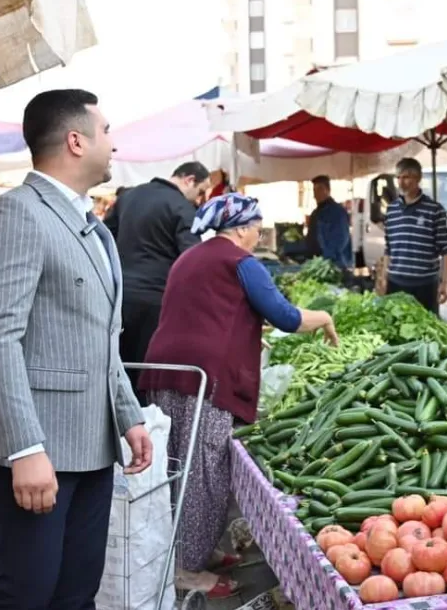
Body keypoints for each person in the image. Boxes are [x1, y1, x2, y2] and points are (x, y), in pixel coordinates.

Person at [0, 89, 152, 609]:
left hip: (92, 443)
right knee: (25, 593)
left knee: (76, 593)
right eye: (108, 130)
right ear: (76, 140)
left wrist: (128, 414)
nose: (114, 144)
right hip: (36, 448)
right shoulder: (16, 214)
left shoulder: (94, 226)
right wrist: (24, 448)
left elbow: (100, 337)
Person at [139, 193, 338, 598]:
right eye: (259, 229)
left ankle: (195, 552)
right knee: (204, 473)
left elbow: (204, 311)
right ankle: (188, 572)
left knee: (179, 466)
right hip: (205, 381)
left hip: (168, 371)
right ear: (244, 228)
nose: (258, 236)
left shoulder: (190, 257)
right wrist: (325, 318)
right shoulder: (241, 262)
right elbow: (287, 317)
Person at [104, 161, 211, 404]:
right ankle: (143, 428)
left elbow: (104, 237)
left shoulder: (130, 196)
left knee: (119, 367)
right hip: (157, 301)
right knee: (146, 373)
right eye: (201, 190)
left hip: (120, 297)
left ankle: (118, 427)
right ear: (189, 180)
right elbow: (193, 260)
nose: (201, 198)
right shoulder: (182, 208)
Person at [380, 158, 447, 313]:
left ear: (418, 178)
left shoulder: (435, 210)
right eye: (398, 177)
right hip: (396, 282)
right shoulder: (391, 210)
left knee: (426, 329)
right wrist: (384, 277)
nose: (401, 182)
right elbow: (388, 248)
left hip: (425, 284)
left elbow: (446, 250)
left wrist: (445, 283)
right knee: (396, 328)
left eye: (406, 177)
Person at [306, 175, 352, 269]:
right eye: (314, 190)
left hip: (333, 265)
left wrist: (327, 259)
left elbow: (342, 239)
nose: (316, 194)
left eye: (320, 189)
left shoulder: (338, 212)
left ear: (328, 190)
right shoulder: (315, 213)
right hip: (316, 263)